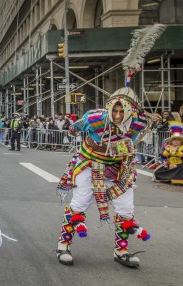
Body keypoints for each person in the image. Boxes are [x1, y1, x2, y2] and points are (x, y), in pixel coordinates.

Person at [55, 88, 153, 268]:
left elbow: (130, 141)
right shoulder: (94, 118)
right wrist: (74, 129)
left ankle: (121, 250)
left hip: (119, 167)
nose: (117, 115)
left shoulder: (138, 123)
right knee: (80, 203)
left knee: (126, 209)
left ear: (131, 111)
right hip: (90, 163)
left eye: (122, 112)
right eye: (114, 111)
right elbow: (74, 128)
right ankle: (63, 245)